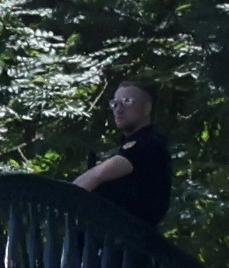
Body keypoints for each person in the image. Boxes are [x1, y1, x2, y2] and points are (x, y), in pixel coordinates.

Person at [72, 81, 173, 227]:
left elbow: (99, 174)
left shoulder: (149, 144)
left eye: (127, 101)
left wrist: (64, 199)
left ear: (147, 108)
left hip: (124, 242)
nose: (118, 109)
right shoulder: (133, 144)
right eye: (115, 103)